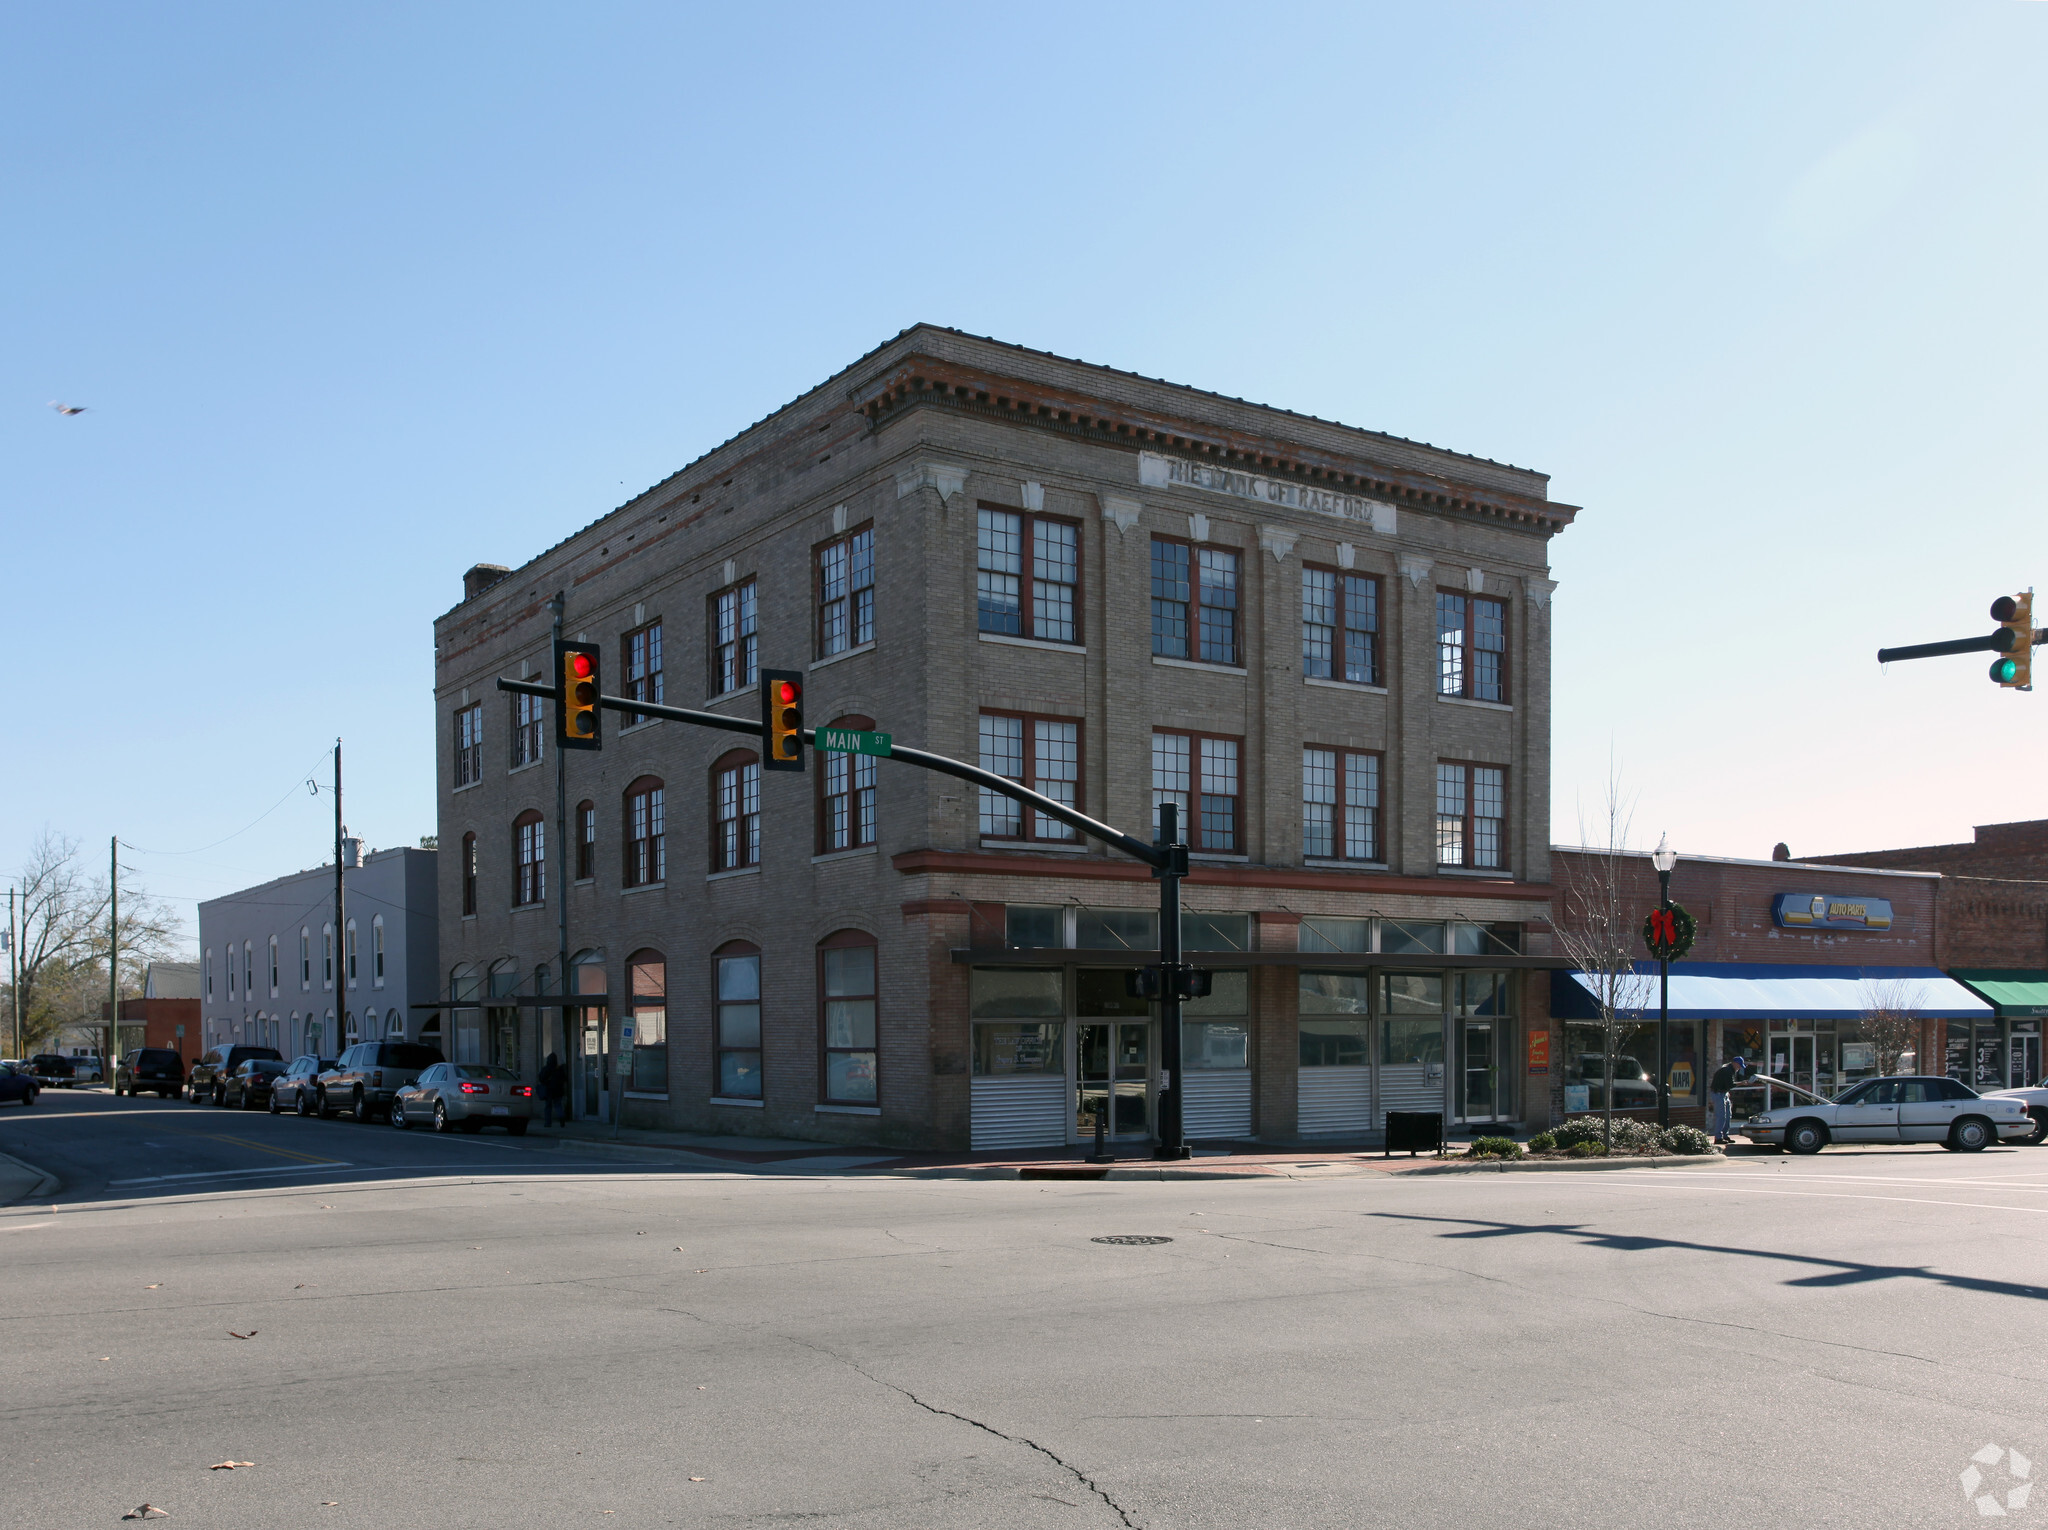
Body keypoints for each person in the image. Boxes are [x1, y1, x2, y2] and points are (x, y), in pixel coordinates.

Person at [1707, 1054, 1749, 1143]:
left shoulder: (1730, 1070)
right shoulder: (1727, 1071)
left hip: (1723, 1092)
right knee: (1721, 1116)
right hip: (1718, 1093)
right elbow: (1730, 1084)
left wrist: (1727, 1092)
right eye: (1739, 1065)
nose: (1739, 1068)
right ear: (1734, 1063)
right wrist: (1741, 1083)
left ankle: (1725, 1135)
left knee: (1728, 1116)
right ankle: (1718, 1138)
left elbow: (1725, 1085)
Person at [540, 1052, 567, 1128]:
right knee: (558, 1105)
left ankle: (548, 1123)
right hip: (558, 1090)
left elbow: (541, 1078)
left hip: (549, 1090)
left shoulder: (546, 1069)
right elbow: (564, 1079)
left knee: (548, 1107)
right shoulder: (559, 1069)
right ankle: (561, 1118)